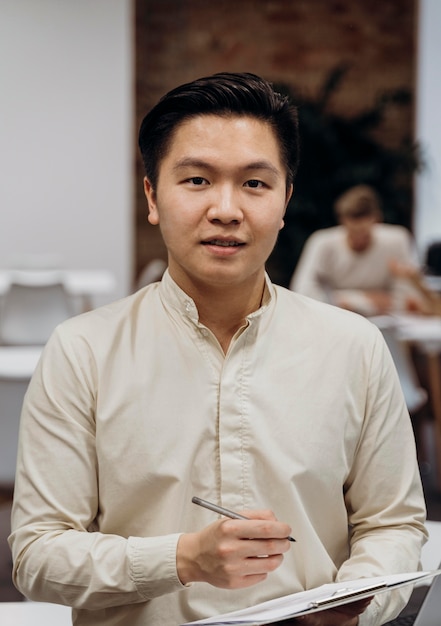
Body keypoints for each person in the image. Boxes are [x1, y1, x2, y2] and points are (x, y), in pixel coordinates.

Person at [9, 73, 427, 626]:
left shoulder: (354, 347)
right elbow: (36, 555)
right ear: (153, 196)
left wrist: (355, 603)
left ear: (285, 201)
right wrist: (183, 558)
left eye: (255, 184)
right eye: (198, 180)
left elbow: (393, 524)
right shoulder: (83, 349)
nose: (227, 209)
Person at [289, 184, 424, 316]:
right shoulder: (322, 242)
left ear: (376, 220)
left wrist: (345, 299)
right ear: (342, 222)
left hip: (384, 323)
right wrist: (365, 299)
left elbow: (410, 299)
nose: (358, 239)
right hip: (338, 318)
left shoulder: (397, 240)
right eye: (352, 232)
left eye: (364, 233)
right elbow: (302, 290)